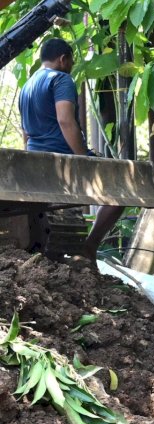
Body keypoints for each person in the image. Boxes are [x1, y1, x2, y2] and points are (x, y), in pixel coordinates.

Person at [18, 37, 117, 259]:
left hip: (34, 160)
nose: (71, 68)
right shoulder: (61, 79)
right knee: (119, 190)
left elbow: (25, 132)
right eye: (71, 63)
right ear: (63, 59)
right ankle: (89, 247)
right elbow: (65, 120)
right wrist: (83, 157)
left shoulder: (26, 86)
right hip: (62, 159)